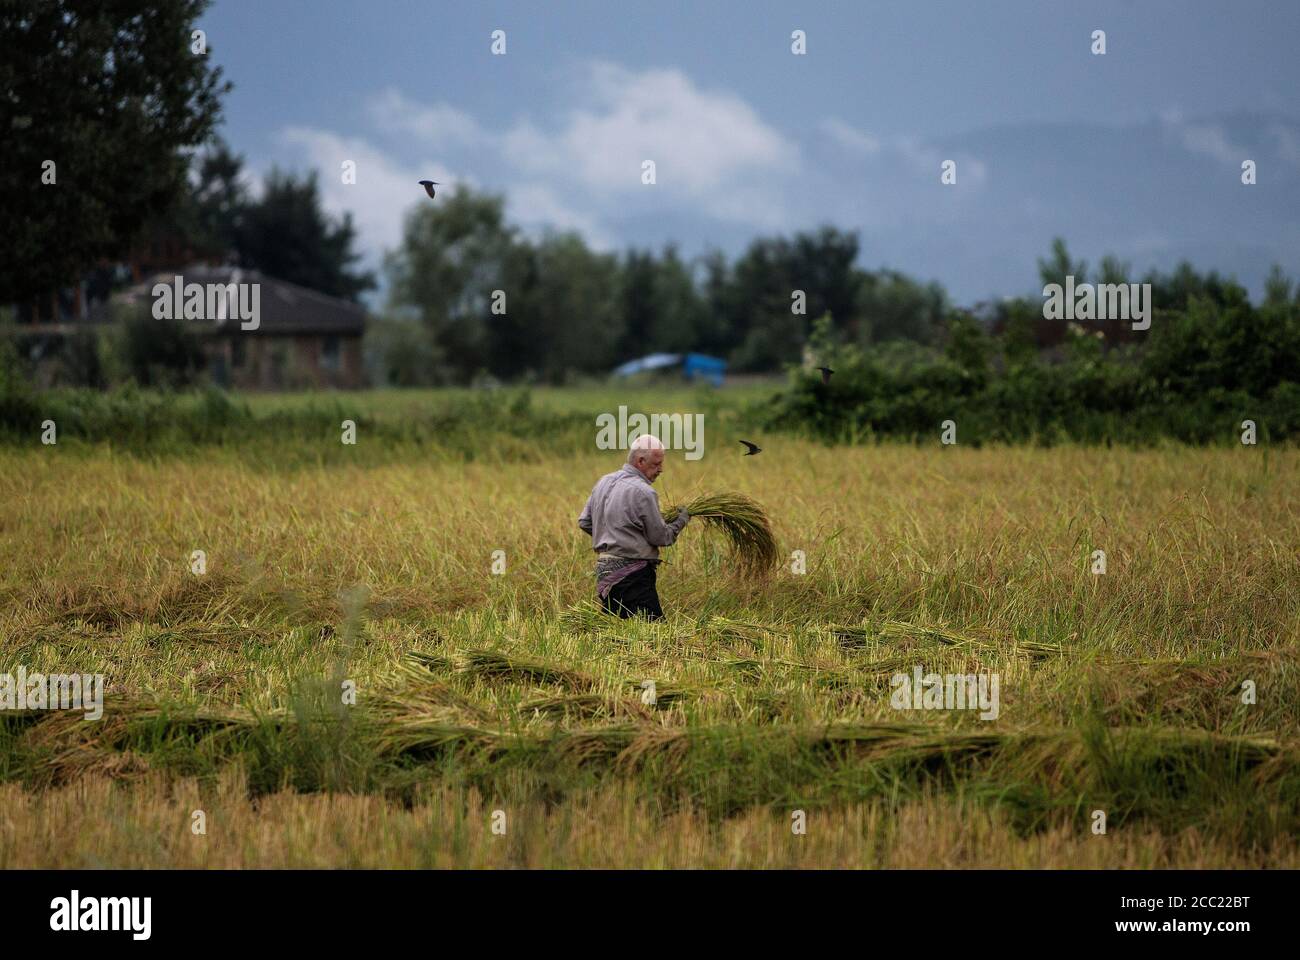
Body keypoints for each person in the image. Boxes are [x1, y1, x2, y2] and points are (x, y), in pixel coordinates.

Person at [577, 434, 690, 620]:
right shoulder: (644, 492)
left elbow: (585, 522)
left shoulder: (603, 482)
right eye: (656, 464)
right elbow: (661, 537)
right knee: (654, 632)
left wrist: (612, 536)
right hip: (633, 575)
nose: (661, 469)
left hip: (605, 571)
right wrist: (681, 520)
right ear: (640, 461)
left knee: (617, 630)